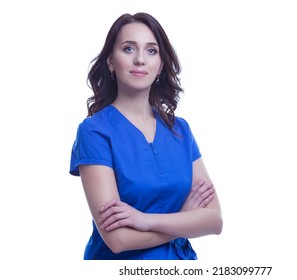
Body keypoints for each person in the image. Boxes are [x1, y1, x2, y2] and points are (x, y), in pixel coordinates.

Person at [69, 12, 223, 260]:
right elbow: (117, 240)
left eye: (151, 51)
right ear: (110, 61)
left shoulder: (180, 129)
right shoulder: (94, 132)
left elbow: (214, 221)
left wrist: (144, 220)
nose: (140, 59)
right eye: (128, 49)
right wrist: (184, 220)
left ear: (161, 64)